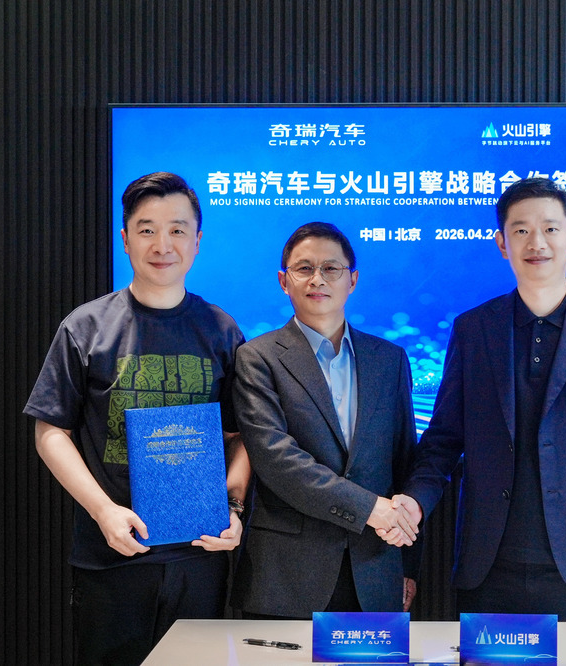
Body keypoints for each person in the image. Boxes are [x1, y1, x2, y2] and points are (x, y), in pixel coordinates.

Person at [392, 177, 566, 619]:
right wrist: (414, 500)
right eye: (521, 230)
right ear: (502, 243)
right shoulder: (474, 329)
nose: (537, 243)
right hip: (487, 565)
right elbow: (443, 439)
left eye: (551, 229)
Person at [24, 172, 250, 665]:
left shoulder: (221, 329)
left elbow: (239, 436)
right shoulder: (86, 327)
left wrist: (232, 508)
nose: (162, 245)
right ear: (125, 239)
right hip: (112, 554)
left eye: (177, 230)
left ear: (197, 241)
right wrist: (103, 511)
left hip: (200, 555)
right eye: (147, 230)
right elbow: (51, 431)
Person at [230, 222, 420, 618]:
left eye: (331, 268)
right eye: (304, 268)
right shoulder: (257, 358)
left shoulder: (389, 360)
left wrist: (408, 564)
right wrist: (371, 509)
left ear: (353, 280)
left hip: (376, 568)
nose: (317, 279)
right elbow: (277, 460)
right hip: (287, 576)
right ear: (284, 281)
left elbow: (404, 463)